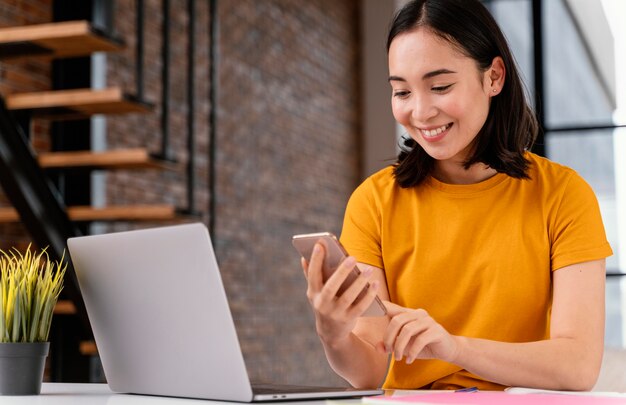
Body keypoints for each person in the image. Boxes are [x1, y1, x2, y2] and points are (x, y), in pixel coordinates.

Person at [300, 0, 613, 391]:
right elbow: (367, 372)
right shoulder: (374, 202)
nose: (420, 111)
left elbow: (577, 366)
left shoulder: (563, 195)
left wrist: (454, 348)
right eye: (401, 92)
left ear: (494, 77)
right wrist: (334, 333)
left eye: (440, 86)